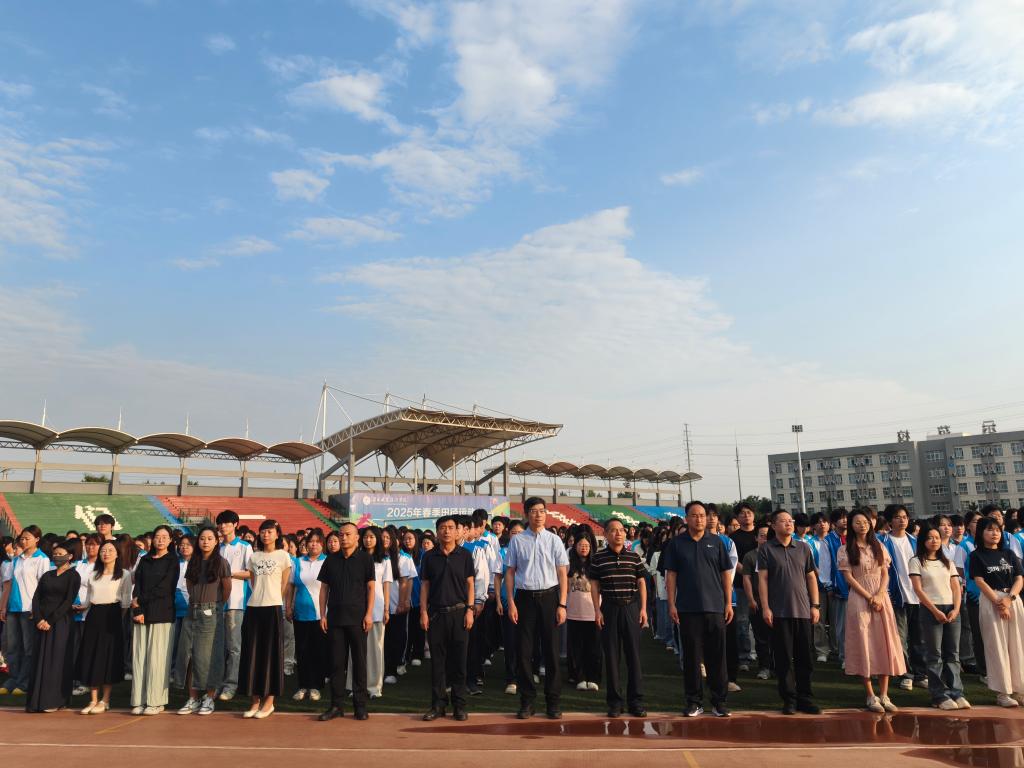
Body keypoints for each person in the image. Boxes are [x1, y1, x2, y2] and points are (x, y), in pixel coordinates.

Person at [664, 500, 734, 717]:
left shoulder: (717, 542)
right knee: (692, 658)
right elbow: (671, 575)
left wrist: (728, 602)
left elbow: (725, 574)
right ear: (687, 518)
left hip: (715, 607)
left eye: (702, 515)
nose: (699, 519)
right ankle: (694, 701)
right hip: (687, 608)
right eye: (694, 515)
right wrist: (671, 603)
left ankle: (719, 702)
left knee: (717, 657)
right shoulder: (676, 544)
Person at [506, 497, 570, 720]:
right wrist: (511, 602)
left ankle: (553, 701)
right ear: (526, 514)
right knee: (524, 651)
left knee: (551, 651)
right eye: (534, 511)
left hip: (550, 598)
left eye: (542, 511)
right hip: (524, 599)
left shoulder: (554, 540)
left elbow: (562, 574)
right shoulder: (517, 540)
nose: (538, 515)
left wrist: (562, 604)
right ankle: (527, 701)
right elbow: (510, 572)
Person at [837, 509, 905, 713]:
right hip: (860, 598)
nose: (862, 525)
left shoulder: (879, 546)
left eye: (865, 522)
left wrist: (880, 594)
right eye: (857, 522)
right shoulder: (845, 549)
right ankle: (870, 695)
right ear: (851, 525)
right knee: (864, 642)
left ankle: (884, 694)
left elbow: (885, 573)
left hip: (881, 598)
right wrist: (869, 597)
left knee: (884, 641)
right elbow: (849, 578)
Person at [758, 508, 821, 715]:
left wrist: (815, 605)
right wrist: (766, 607)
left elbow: (811, 577)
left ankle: (805, 698)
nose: (789, 524)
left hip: (803, 611)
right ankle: (789, 699)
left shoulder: (803, 548)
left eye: (790, 521)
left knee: (805, 658)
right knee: (784, 658)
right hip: (779, 612)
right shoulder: (766, 549)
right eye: (783, 521)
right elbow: (763, 580)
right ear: (773, 525)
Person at [419, 515, 476, 721]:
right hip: (436, 614)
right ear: (437, 531)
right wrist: (423, 612)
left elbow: (470, 584)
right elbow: (425, 586)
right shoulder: (429, 556)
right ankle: (438, 705)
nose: (447, 531)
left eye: (451, 527)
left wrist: (470, 610)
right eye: (442, 527)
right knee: (438, 663)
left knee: (459, 662)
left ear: (457, 530)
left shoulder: (465, 555)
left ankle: (459, 705)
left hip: (459, 613)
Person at [317, 521, 374, 722]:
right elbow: (324, 589)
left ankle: (360, 706)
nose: (343, 538)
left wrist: (369, 614)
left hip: (358, 619)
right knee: (336, 664)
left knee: (359, 663)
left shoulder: (366, 559)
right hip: (335, 619)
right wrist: (322, 614)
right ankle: (336, 706)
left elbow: (371, 588)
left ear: (357, 537)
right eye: (341, 534)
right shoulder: (330, 560)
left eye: (348, 534)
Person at [590, 518, 647, 718]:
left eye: (621, 530)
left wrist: (643, 609)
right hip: (609, 608)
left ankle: (636, 701)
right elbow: (595, 585)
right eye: (613, 530)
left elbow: (641, 582)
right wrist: (597, 610)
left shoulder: (634, 557)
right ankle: (615, 702)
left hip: (631, 608)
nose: (619, 533)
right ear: (606, 534)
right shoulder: (598, 558)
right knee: (612, 657)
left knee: (634, 657)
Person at [910, 523, 968, 710]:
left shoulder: (948, 562)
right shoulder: (916, 561)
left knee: (953, 654)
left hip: (952, 609)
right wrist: (935, 611)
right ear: (923, 541)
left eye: (936, 537)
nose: (934, 541)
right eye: (929, 538)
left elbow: (956, 588)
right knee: (934, 654)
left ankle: (957, 692)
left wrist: (956, 609)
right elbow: (918, 589)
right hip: (930, 610)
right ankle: (939, 695)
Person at [238, 519, 291, 718]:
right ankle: (254, 702)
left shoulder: (283, 556)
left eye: (269, 531)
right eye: (263, 531)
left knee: (271, 654)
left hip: (273, 608)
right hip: (253, 608)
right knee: (251, 654)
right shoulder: (254, 556)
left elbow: (284, 584)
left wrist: (274, 599)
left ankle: (269, 702)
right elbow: (253, 582)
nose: (266, 535)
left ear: (277, 534)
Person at [969, 516, 1024, 707]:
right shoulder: (976, 555)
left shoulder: (1008, 553)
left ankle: (1019, 690)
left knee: (1018, 644)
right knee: (997, 646)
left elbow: (1019, 578)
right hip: (992, 600)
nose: (995, 533)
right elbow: (979, 581)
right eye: (990, 529)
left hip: (1013, 599)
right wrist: (999, 603)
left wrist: (1010, 599)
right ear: (981, 533)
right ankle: (1002, 693)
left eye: (997, 530)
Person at [177, 526, 232, 716]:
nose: (205, 542)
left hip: (211, 611)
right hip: (192, 610)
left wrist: (215, 606)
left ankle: (209, 697)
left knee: (209, 656)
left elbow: (226, 588)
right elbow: (189, 584)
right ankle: (193, 698)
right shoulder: (193, 561)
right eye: (202, 538)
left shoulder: (221, 563)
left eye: (209, 538)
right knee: (189, 654)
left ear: (216, 541)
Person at [129, 525, 179, 715]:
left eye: (165, 537)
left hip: (162, 614)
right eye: (157, 536)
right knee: (139, 658)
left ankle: (155, 701)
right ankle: (139, 700)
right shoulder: (145, 560)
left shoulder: (172, 561)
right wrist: (138, 609)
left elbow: (165, 588)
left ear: (170, 540)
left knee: (157, 659)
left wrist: (140, 601)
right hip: (141, 614)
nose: (160, 540)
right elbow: (138, 586)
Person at [77, 540, 131, 714]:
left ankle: (105, 700)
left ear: (117, 554)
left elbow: (126, 601)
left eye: (110, 550)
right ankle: (93, 700)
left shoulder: (124, 574)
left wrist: (118, 618)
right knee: (92, 655)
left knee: (108, 657)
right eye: (103, 551)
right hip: (94, 616)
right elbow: (88, 599)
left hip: (113, 616)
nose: (106, 553)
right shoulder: (93, 574)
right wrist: (81, 607)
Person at [26, 540, 80, 712]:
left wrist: (50, 621)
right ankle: (37, 701)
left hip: (60, 623)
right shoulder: (47, 575)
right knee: (39, 659)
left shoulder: (73, 576)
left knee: (56, 660)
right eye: (55, 554)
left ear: (69, 556)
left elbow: (68, 601)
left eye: (60, 554)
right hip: (41, 623)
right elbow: (36, 598)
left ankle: (55, 700)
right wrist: (39, 619)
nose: (57, 557)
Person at [0, 526, 52, 696]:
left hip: (29, 609)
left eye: (27, 538)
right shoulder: (17, 559)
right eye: (22, 538)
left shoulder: (42, 559)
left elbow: (44, 586)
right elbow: (9, 585)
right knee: (13, 647)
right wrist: (4, 606)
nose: (23, 541)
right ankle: (13, 679)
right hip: (13, 608)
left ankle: (24, 682)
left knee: (28, 647)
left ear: (37, 539)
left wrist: (39, 610)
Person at [880, 505, 926, 691]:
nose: (902, 520)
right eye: (897, 517)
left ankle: (920, 673)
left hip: (918, 595)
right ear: (890, 521)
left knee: (919, 637)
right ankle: (905, 674)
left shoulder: (915, 541)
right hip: (897, 596)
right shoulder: (882, 541)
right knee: (900, 637)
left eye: (905, 517)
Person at [288, 531, 328, 702]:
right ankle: (303, 685)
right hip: (300, 614)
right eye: (311, 541)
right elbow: (291, 586)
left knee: (318, 651)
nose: (313, 544)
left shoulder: (327, 561)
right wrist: (288, 607)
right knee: (302, 651)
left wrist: (327, 613)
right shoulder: (297, 562)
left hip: (320, 615)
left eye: (317, 541)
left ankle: (316, 686)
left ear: (322, 544)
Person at [216, 510, 252, 702]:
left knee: (234, 647)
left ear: (235, 525)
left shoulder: (245, 546)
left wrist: (229, 574)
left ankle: (231, 684)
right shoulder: (217, 547)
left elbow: (251, 572)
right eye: (220, 523)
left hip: (236, 603)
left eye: (227, 523)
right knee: (218, 646)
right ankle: (217, 682)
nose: (223, 526)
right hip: (217, 602)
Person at [354, 526, 392, 698]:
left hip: (376, 608)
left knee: (376, 649)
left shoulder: (384, 560)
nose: (368, 540)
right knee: (356, 650)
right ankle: (356, 685)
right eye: (365, 537)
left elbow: (386, 585)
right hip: (357, 606)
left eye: (371, 537)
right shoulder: (356, 557)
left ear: (377, 539)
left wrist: (386, 609)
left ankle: (374, 687)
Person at [566, 530, 600, 692]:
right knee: (576, 647)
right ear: (575, 546)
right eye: (580, 545)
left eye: (586, 545)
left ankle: (593, 677)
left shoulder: (596, 565)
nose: (584, 548)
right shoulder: (568, 565)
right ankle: (579, 677)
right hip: (574, 612)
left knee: (593, 647)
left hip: (593, 612)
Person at [382, 526, 415, 686]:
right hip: (378, 607)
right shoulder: (376, 557)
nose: (385, 540)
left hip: (396, 606)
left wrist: (404, 601)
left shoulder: (404, 558)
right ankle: (381, 669)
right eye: (382, 537)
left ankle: (392, 669)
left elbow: (407, 582)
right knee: (382, 640)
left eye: (388, 537)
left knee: (395, 638)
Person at [495, 519, 524, 695]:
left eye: (520, 532)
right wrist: (499, 600)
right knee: (511, 641)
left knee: (526, 641)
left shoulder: (530, 550)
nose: (517, 536)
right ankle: (511, 678)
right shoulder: (503, 552)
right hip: (508, 603)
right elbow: (498, 577)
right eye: (514, 533)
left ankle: (526, 674)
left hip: (527, 602)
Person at [742, 522, 773, 680]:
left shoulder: (777, 553)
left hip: (777, 603)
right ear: (756, 538)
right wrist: (751, 599)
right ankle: (764, 667)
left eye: (768, 536)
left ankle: (778, 667)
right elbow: (746, 579)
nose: (765, 539)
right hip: (758, 602)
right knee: (761, 638)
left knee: (778, 638)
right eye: (762, 536)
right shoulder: (750, 556)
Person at [730, 503, 758, 670]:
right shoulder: (733, 538)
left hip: (764, 585)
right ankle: (744, 657)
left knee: (763, 622)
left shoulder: (762, 533)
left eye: (749, 512)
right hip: (741, 585)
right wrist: (748, 573)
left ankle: (765, 657)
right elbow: (734, 561)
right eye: (742, 513)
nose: (746, 515)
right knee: (742, 623)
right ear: (737, 518)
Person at [821, 509, 849, 668]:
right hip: (840, 588)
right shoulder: (828, 540)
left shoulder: (854, 537)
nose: (844, 521)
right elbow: (825, 564)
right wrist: (829, 585)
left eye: (846, 518)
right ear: (833, 523)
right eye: (840, 518)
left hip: (858, 587)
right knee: (842, 625)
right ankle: (844, 656)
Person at [170, 534, 193, 689]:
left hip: (190, 609)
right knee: (174, 644)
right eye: (182, 544)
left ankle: (186, 676)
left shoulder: (197, 564)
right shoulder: (174, 563)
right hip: (174, 608)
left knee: (187, 646)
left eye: (188, 544)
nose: (184, 547)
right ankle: (173, 673)